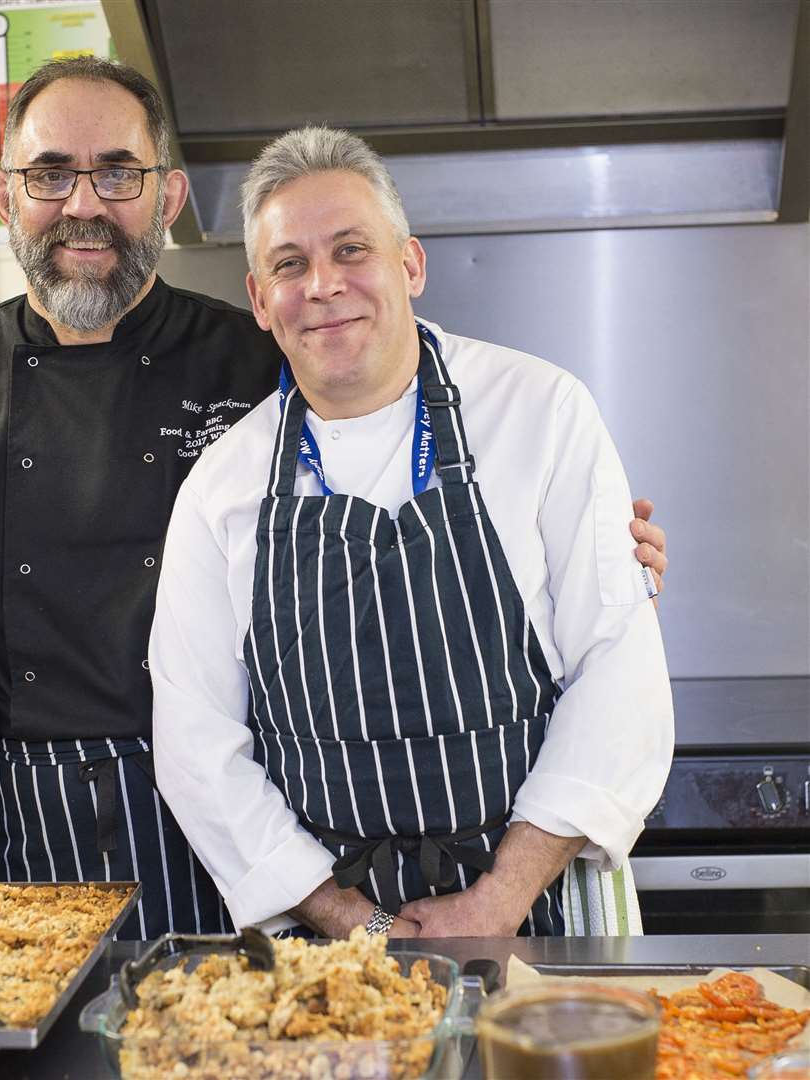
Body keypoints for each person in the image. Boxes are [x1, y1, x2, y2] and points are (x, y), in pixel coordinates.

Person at [0, 58, 670, 939]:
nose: (83, 202)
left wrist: (612, 560)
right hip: (28, 814)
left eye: (119, 171)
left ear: (167, 196)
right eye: (49, 173)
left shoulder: (276, 363)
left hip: (262, 847)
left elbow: (601, 644)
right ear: (5, 195)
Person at [149, 127, 675, 939]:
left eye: (351, 249)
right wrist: (343, 917)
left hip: (540, 913)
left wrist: (501, 897)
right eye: (289, 264)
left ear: (411, 265)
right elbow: (196, 741)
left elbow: (618, 668)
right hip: (329, 942)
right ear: (260, 300)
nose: (323, 285)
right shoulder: (221, 486)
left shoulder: (541, 411)